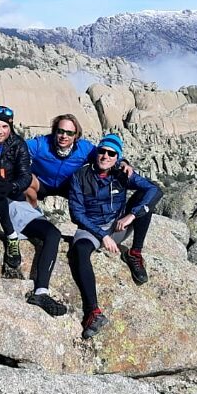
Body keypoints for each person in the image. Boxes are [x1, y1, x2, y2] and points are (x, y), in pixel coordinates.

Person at [0, 105, 67, 316]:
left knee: (52, 234)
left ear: (10, 127)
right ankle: (11, 237)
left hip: (14, 203)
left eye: (4, 126)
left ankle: (41, 292)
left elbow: (25, 176)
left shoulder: (18, 145)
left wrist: (12, 187)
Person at [68, 133, 163, 339]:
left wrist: (132, 215)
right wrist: (102, 235)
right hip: (91, 228)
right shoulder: (80, 176)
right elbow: (77, 214)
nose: (105, 156)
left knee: (145, 204)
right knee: (79, 251)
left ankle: (134, 253)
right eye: (102, 151)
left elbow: (154, 190)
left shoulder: (121, 174)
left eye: (111, 153)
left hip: (118, 225)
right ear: (97, 153)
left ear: (117, 157)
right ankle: (93, 312)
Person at [26, 113, 132, 206]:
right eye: (60, 131)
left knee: (91, 189)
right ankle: (34, 216)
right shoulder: (41, 144)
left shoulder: (84, 148)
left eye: (69, 133)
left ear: (76, 135)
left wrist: (122, 163)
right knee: (25, 179)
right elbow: (18, 148)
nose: (64, 136)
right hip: (42, 183)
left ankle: (89, 223)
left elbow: (105, 156)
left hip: (68, 186)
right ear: (55, 131)